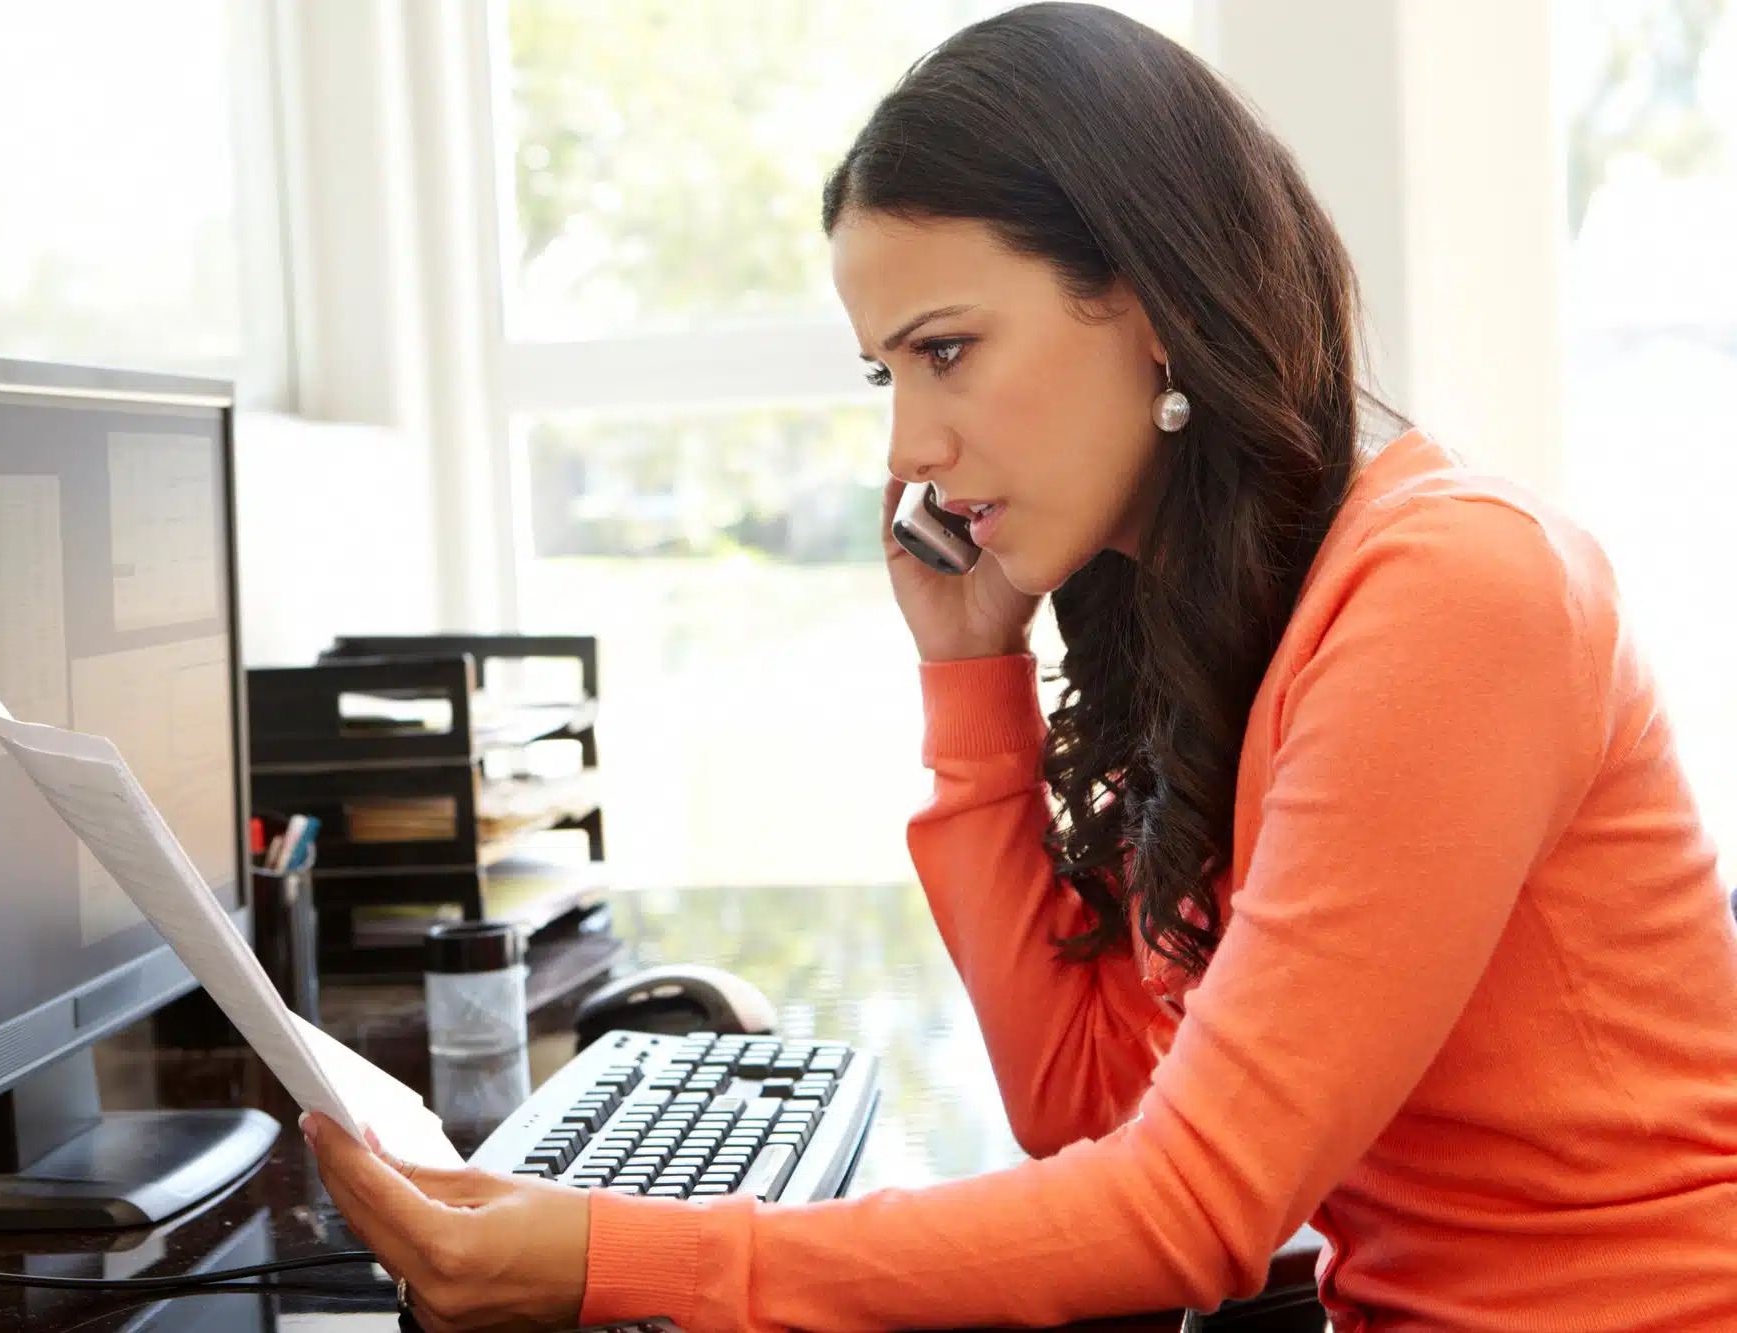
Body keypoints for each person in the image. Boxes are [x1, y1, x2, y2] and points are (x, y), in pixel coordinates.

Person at [303, 4, 1737, 1330]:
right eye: (889, 373)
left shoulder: (1453, 592)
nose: (909, 449)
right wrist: (971, 675)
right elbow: (1088, 1104)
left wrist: (627, 1257)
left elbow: (1192, 1209)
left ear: (1156, 302)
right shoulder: (1209, 611)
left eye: (948, 350)